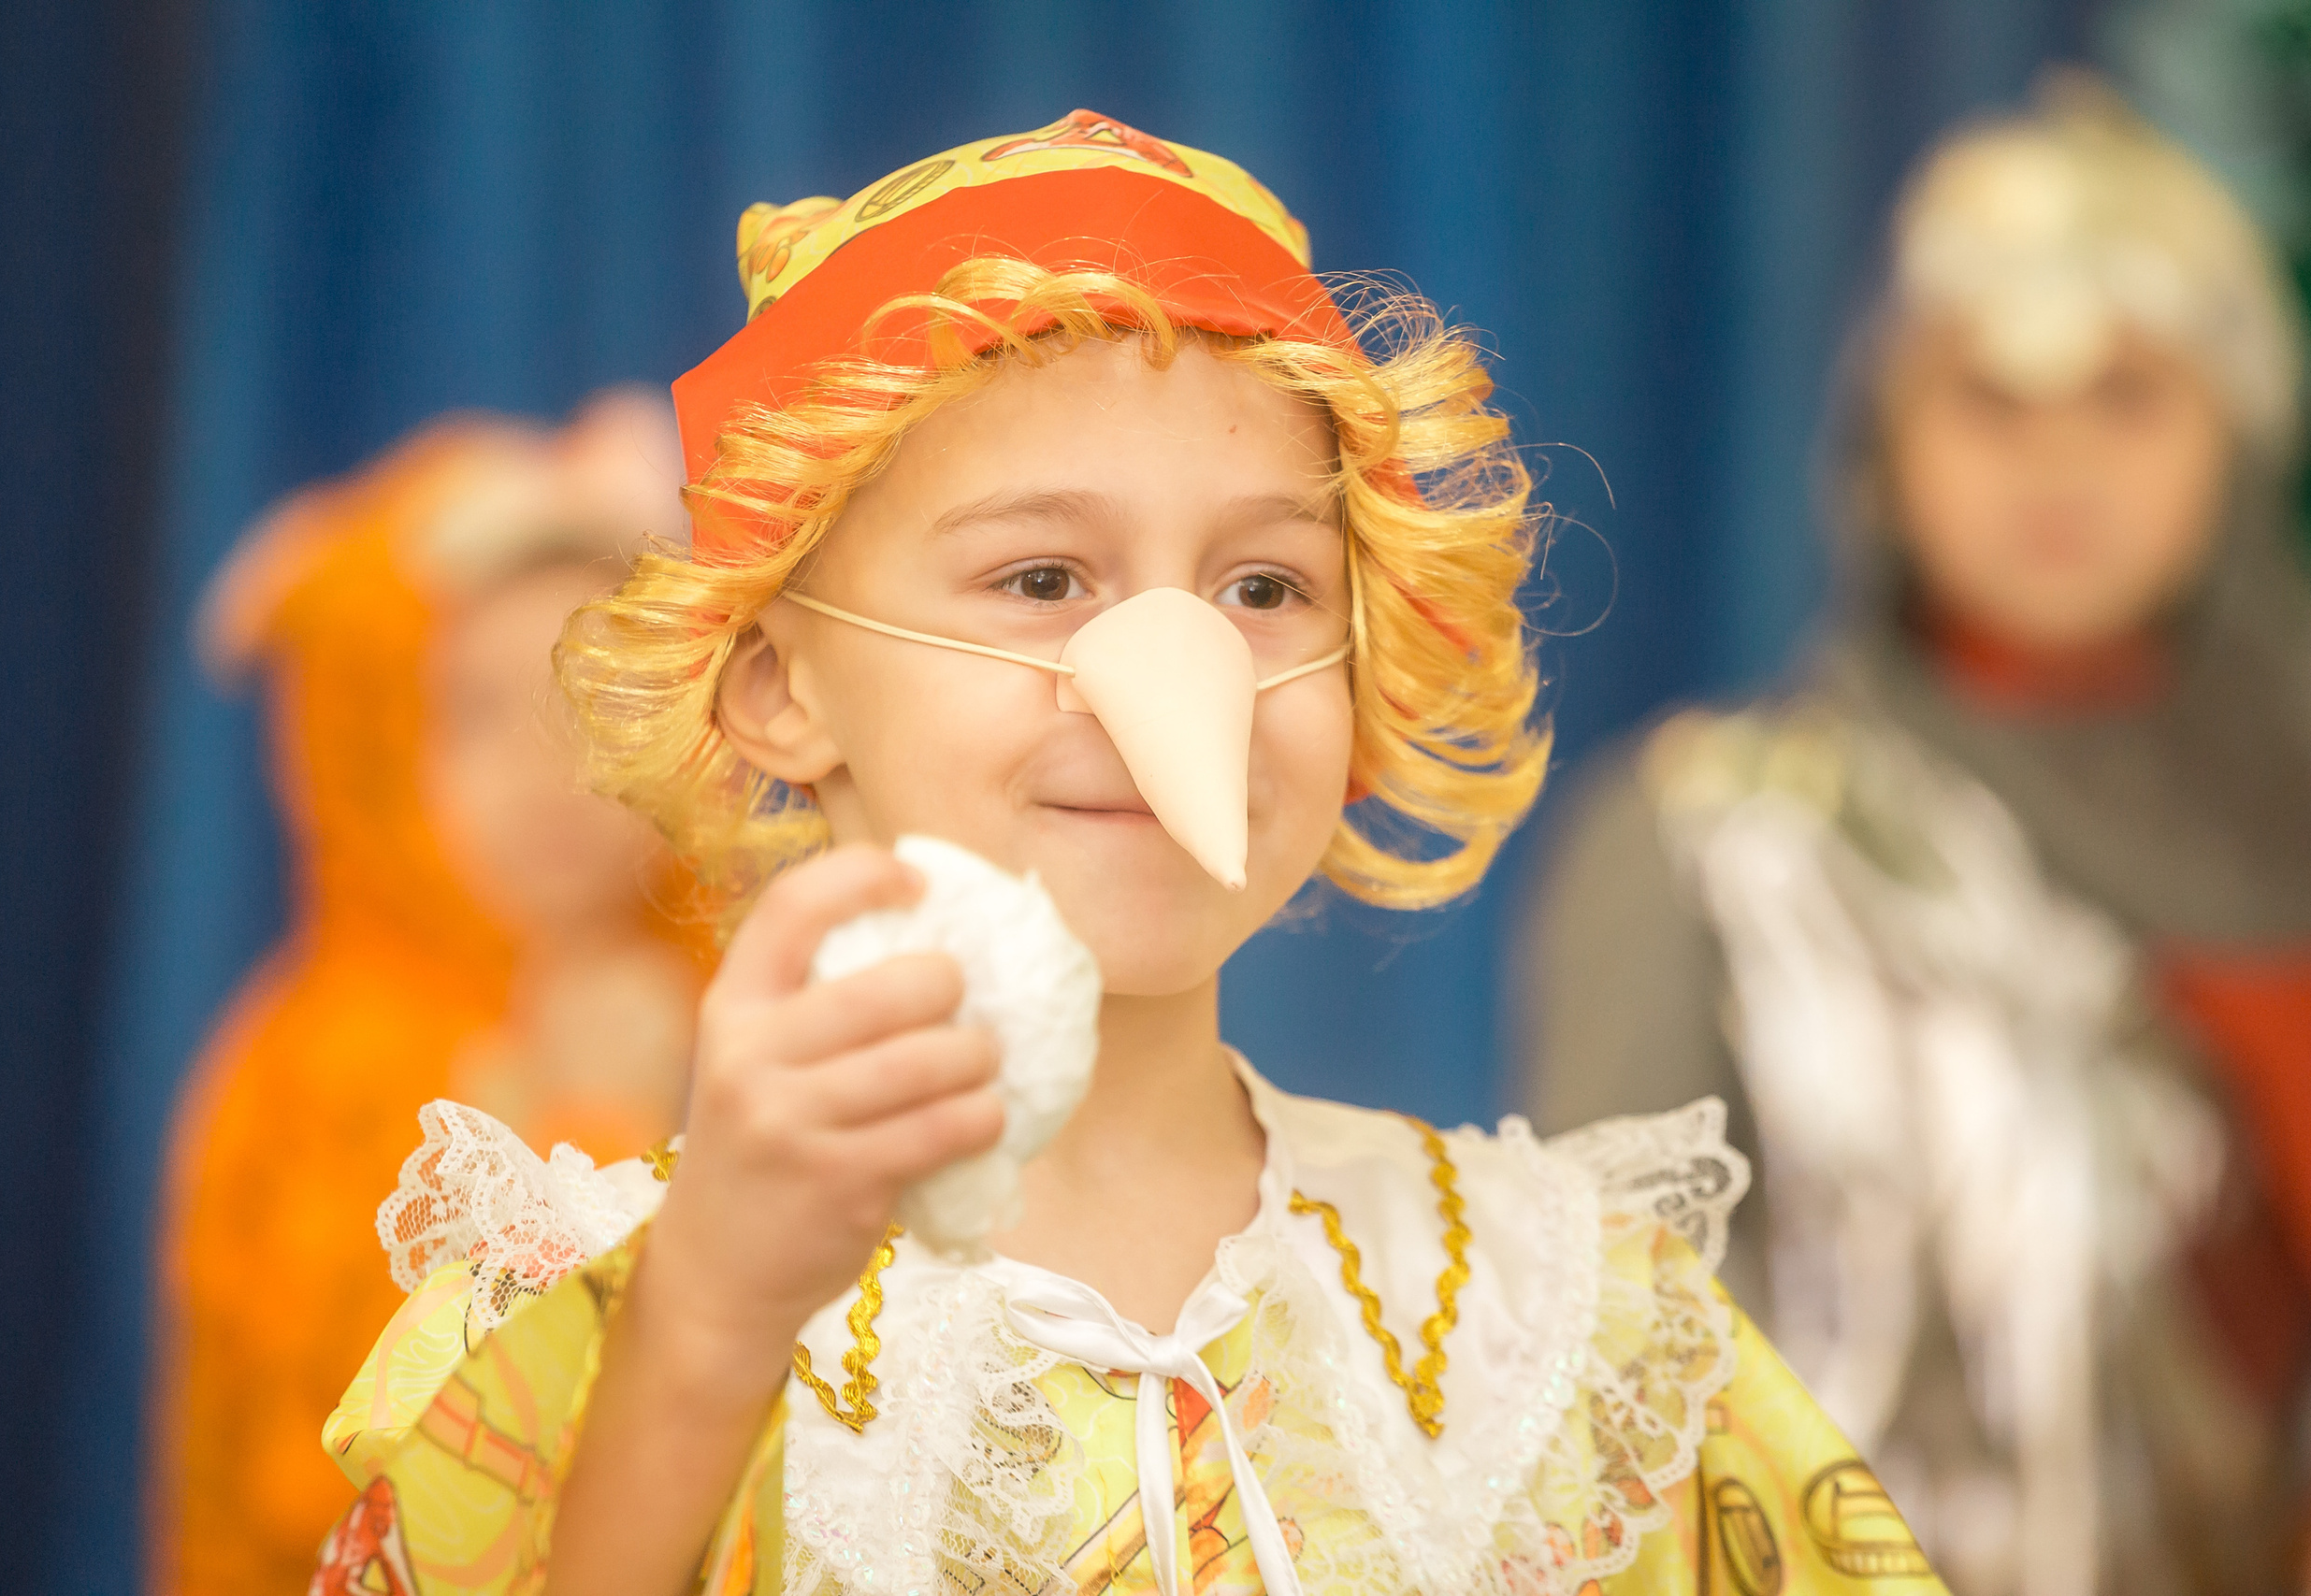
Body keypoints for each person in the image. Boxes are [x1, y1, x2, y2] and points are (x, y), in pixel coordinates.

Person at [315, 111, 1943, 1596]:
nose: (1180, 676)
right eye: (1040, 579)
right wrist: (705, 1335)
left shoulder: (1568, 1327)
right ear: (781, 681)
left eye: (1264, 591)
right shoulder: (560, 1335)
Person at [1523, 78, 2311, 1596]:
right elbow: (1613, 1399)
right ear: (1886, 445)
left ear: (2239, 437)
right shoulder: (1710, 846)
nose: (2055, 459)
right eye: (1989, 397)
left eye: (2128, 393)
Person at [153, 394, 709, 1596]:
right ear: (369, 738)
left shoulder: (723, 988)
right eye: (472, 714)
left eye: (596, 700)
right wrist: (592, 1129)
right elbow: (366, 1493)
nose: (549, 771)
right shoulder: (328, 1068)